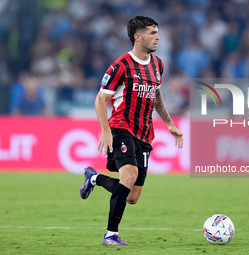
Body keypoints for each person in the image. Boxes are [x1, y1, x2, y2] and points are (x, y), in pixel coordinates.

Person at [79, 16, 184, 246]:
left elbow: (155, 94)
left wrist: (169, 123)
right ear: (138, 37)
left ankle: (94, 178)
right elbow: (100, 99)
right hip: (121, 128)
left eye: (157, 32)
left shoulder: (158, 64)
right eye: (152, 33)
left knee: (132, 197)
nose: (158, 37)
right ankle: (110, 235)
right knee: (129, 175)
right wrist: (106, 131)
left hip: (145, 134)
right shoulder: (121, 65)